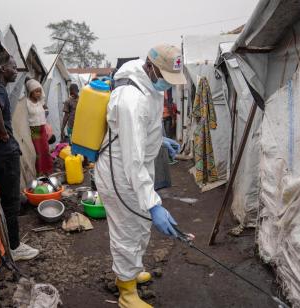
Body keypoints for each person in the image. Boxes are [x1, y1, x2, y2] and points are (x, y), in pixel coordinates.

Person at [95, 44, 187, 308]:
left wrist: (160, 140)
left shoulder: (148, 84)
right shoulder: (130, 100)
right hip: (120, 172)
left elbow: (142, 130)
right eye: (166, 79)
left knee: (140, 223)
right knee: (127, 229)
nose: (168, 86)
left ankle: (132, 271)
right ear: (150, 66)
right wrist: (154, 204)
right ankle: (126, 292)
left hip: (134, 166)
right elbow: (132, 160)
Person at [0, 57, 39, 261]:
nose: (16, 72)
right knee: (11, 201)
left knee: (8, 200)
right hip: (5, 154)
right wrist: (3, 132)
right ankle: (14, 247)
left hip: (0, 153)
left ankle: (8, 242)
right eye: (13, 68)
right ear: (3, 68)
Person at [25, 79, 53, 175]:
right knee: (38, 152)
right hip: (34, 130)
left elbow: (46, 110)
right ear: (31, 92)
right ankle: (39, 172)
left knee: (45, 150)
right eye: (36, 91)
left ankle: (48, 170)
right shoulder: (27, 103)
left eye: (40, 91)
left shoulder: (41, 102)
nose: (38, 94)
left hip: (42, 129)